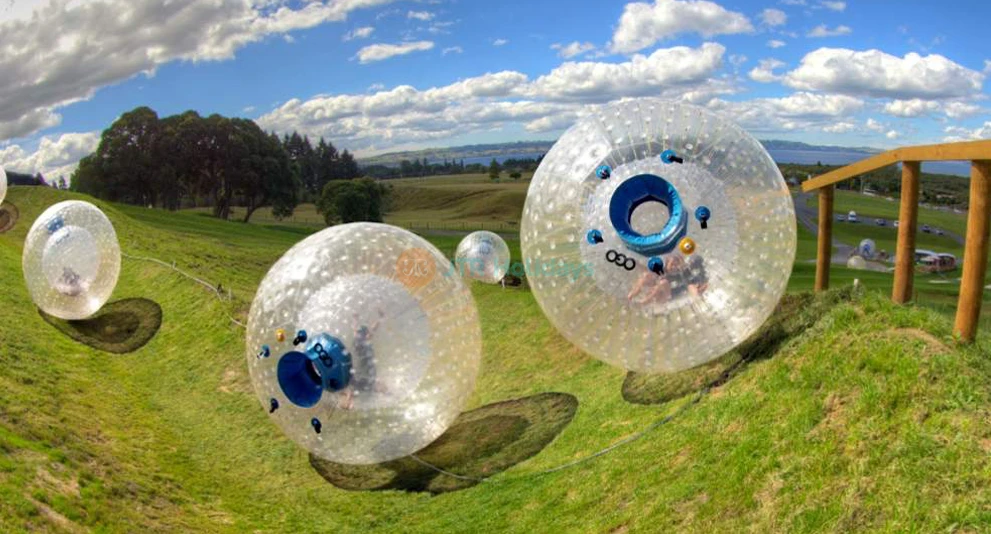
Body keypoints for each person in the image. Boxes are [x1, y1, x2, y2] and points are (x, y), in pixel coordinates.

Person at [340, 309, 385, 410]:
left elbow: (355, 328)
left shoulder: (357, 338)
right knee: (372, 385)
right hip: (365, 371)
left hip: (356, 370)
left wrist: (355, 318)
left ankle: (348, 400)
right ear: (367, 334)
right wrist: (380, 318)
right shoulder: (365, 340)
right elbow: (373, 329)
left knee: (353, 386)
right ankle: (389, 394)